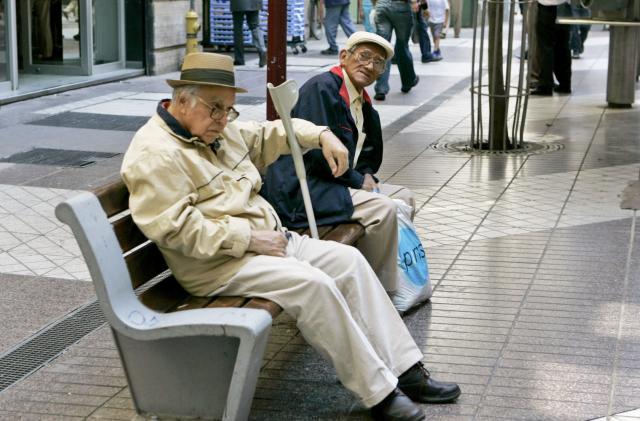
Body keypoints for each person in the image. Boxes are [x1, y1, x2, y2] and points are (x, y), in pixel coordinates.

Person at [121, 52, 461, 421]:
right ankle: (378, 393)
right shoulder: (155, 153)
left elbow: (271, 132)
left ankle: (406, 369)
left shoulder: (217, 128)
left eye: (229, 109)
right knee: (313, 284)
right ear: (182, 100)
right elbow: (174, 229)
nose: (223, 119)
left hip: (269, 243)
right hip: (218, 264)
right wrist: (249, 238)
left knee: (348, 262)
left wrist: (322, 134)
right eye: (215, 108)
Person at [262, 31, 416, 294]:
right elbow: (318, 158)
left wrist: (365, 175)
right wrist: (359, 181)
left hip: (334, 182)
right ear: (344, 56)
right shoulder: (323, 88)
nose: (369, 65)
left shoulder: (361, 100)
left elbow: (367, 155)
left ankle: (378, 273)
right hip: (303, 192)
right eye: (364, 56)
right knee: (384, 209)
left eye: (378, 62)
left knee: (406, 197)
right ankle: (381, 290)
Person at [373, 0, 420, 101]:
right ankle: (408, 81)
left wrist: (376, 4)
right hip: (401, 6)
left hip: (382, 6)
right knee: (402, 46)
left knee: (383, 47)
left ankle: (381, 88)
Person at [530, 0, 571, 96]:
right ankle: (565, 84)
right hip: (564, 6)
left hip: (547, 6)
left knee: (546, 47)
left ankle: (545, 85)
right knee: (563, 46)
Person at [230, 0, 266, 67]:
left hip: (238, 3)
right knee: (255, 26)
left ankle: (239, 59)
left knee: (238, 29)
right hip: (254, 2)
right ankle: (262, 49)